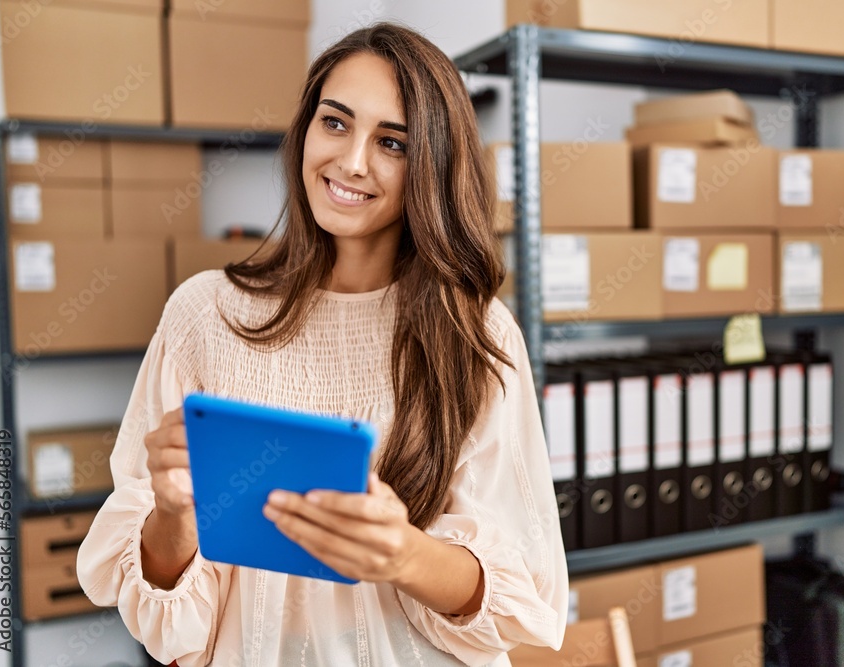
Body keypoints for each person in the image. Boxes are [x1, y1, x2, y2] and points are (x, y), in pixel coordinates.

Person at [76, 21, 569, 667]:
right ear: (305, 128)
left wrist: (403, 553)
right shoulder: (204, 314)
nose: (352, 161)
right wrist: (173, 515)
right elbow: (166, 615)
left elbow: (520, 595)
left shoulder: (475, 334)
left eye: (391, 141)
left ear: (432, 165)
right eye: (335, 123)